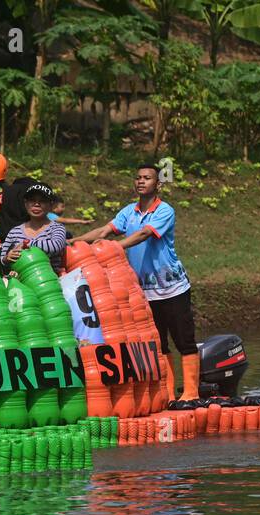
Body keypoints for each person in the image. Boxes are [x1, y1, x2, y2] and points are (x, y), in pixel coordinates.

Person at [80, 161, 197, 401]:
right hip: (145, 292)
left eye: (147, 178)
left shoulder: (164, 211)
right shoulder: (128, 212)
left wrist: (114, 248)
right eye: (138, 177)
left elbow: (144, 234)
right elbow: (104, 231)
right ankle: (168, 393)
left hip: (172, 288)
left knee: (183, 340)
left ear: (158, 184)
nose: (141, 181)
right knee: (159, 343)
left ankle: (191, 392)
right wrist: (75, 243)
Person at [0, 182, 68, 273]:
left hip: (50, 282)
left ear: (51, 205)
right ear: (25, 203)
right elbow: (2, 258)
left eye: (42, 201)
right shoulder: (14, 232)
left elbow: (56, 246)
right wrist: (6, 258)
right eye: (32, 200)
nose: (36, 204)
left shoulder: (57, 228)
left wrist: (27, 244)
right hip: (23, 282)